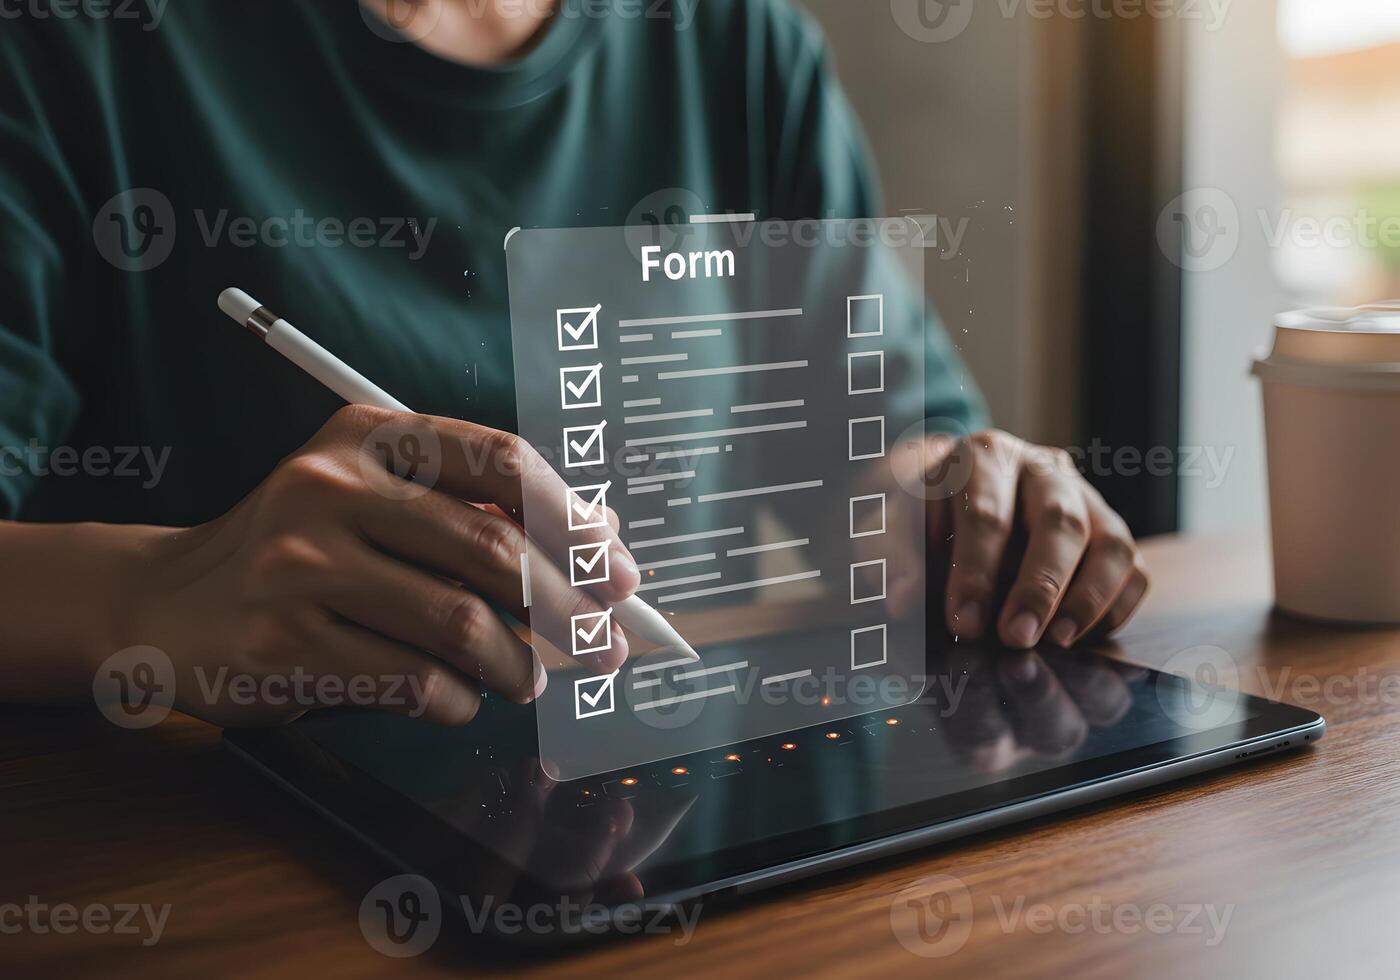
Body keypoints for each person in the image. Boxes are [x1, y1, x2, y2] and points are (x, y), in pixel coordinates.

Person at [0, 0, 1147, 726]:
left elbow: (878, 466)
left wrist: (952, 508)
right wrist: (155, 590)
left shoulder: (736, 42)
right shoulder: (67, 47)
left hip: (682, 842)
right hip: (213, 860)